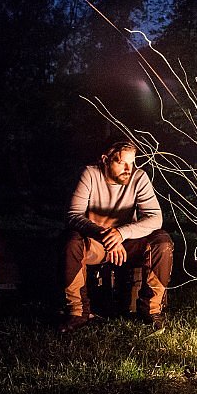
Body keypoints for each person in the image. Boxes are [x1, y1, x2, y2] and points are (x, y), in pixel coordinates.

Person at [61, 139, 173, 331]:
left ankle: (152, 311)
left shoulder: (139, 178)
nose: (128, 168)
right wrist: (105, 235)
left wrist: (121, 234)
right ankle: (78, 312)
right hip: (96, 241)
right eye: (121, 162)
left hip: (127, 243)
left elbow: (155, 218)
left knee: (162, 242)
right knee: (72, 242)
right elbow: (73, 215)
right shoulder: (90, 174)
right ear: (105, 160)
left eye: (132, 162)